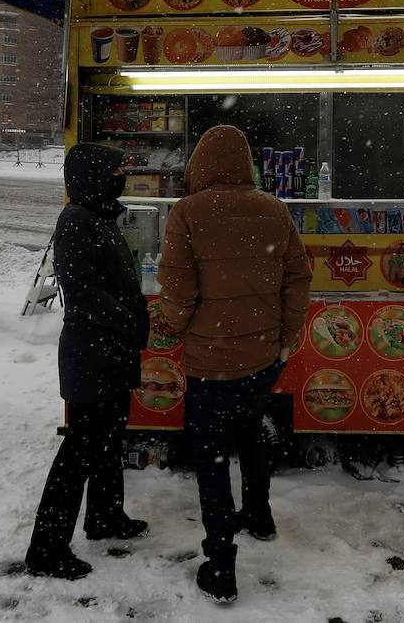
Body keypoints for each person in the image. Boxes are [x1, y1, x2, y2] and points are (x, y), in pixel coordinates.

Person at [156, 125, 312, 605]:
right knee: (251, 433)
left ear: (200, 165)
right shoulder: (274, 209)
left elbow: (178, 290)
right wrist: (286, 340)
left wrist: (173, 325)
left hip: (210, 362)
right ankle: (260, 517)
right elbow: (298, 278)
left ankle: (220, 564)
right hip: (263, 358)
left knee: (211, 458)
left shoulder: (187, 212)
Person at [24, 143, 150, 580]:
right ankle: (46, 549)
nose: (120, 175)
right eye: (114, 169)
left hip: (109, 353)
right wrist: (129, 320)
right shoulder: (76, 220)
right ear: (94, 175)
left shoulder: (99, 215)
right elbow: (83, 296)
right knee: (78, 451)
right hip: (91, 354)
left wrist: (133, 319)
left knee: (109, 441)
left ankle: (105, 517)